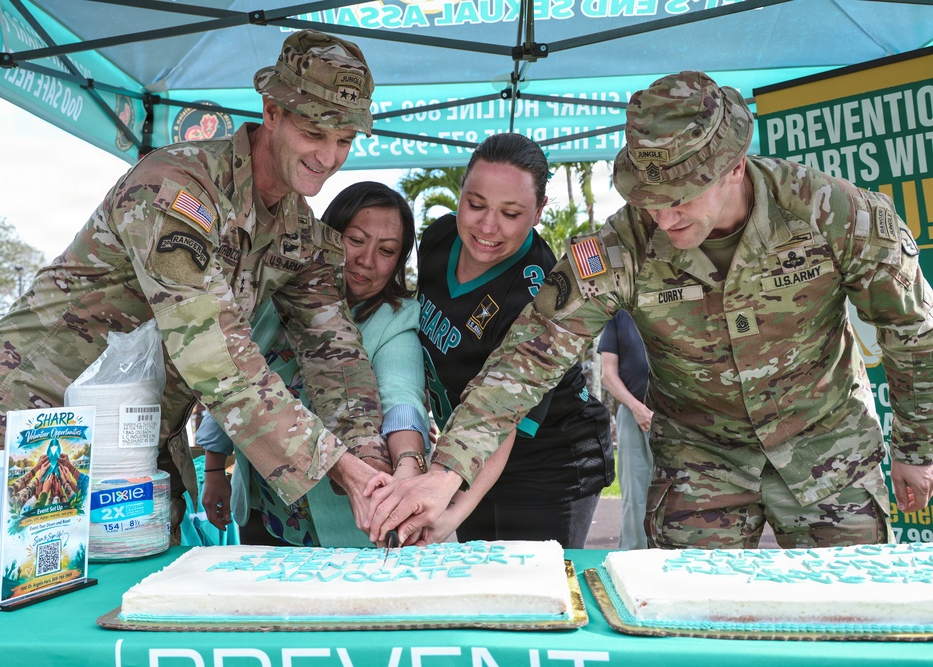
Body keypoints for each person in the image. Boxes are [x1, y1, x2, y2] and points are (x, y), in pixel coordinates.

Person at [367, 70, 933, 550]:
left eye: (681, 197)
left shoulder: (836, 214)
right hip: (699, 457)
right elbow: (524, 362)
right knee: (687, 624)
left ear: (734, 166)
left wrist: (917, 448)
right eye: (648, 198)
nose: (663, 218)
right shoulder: (618, 247)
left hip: (825, 445)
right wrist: (445, 473)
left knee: (853, 619)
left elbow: (912, 329)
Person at [0, 29, 392, 541]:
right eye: (314, 133)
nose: (329, 157)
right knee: (32, 577)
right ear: (272, 113)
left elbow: (336, 354)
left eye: (344, 141)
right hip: (43, 415)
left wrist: (371, 460)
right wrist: (335, 463)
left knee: (135, 590)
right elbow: (212, 352)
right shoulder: (174, 189)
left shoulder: (300, 233)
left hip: (138, 437)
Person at [198, 181, 429, 547]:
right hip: (264, 506)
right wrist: (214, 469)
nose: (366, 261)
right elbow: (234, 377)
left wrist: (408, 463)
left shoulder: (394, 319)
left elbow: (401, 392)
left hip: (332, 520)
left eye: (386, 250)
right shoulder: (277, 295)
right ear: (328, 235)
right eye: (355, 240)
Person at [413, 133, 614, 549]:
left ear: (539, 211)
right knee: (478, 589)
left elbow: (504, 414)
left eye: (510, 212)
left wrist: (450, 514)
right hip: (468, 449)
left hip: (549, 459)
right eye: (475, 204)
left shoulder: (535, 288)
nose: (487, 227)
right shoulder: (436, 239)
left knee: (531, 594)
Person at [598, 310, 653, 550]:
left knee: (685, 492)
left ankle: (678, 560)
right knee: (635, 496)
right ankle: (633, 557)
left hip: (678, 415)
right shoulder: (619, 317)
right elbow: (607, 374)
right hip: (633, 415)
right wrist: (636, 407)